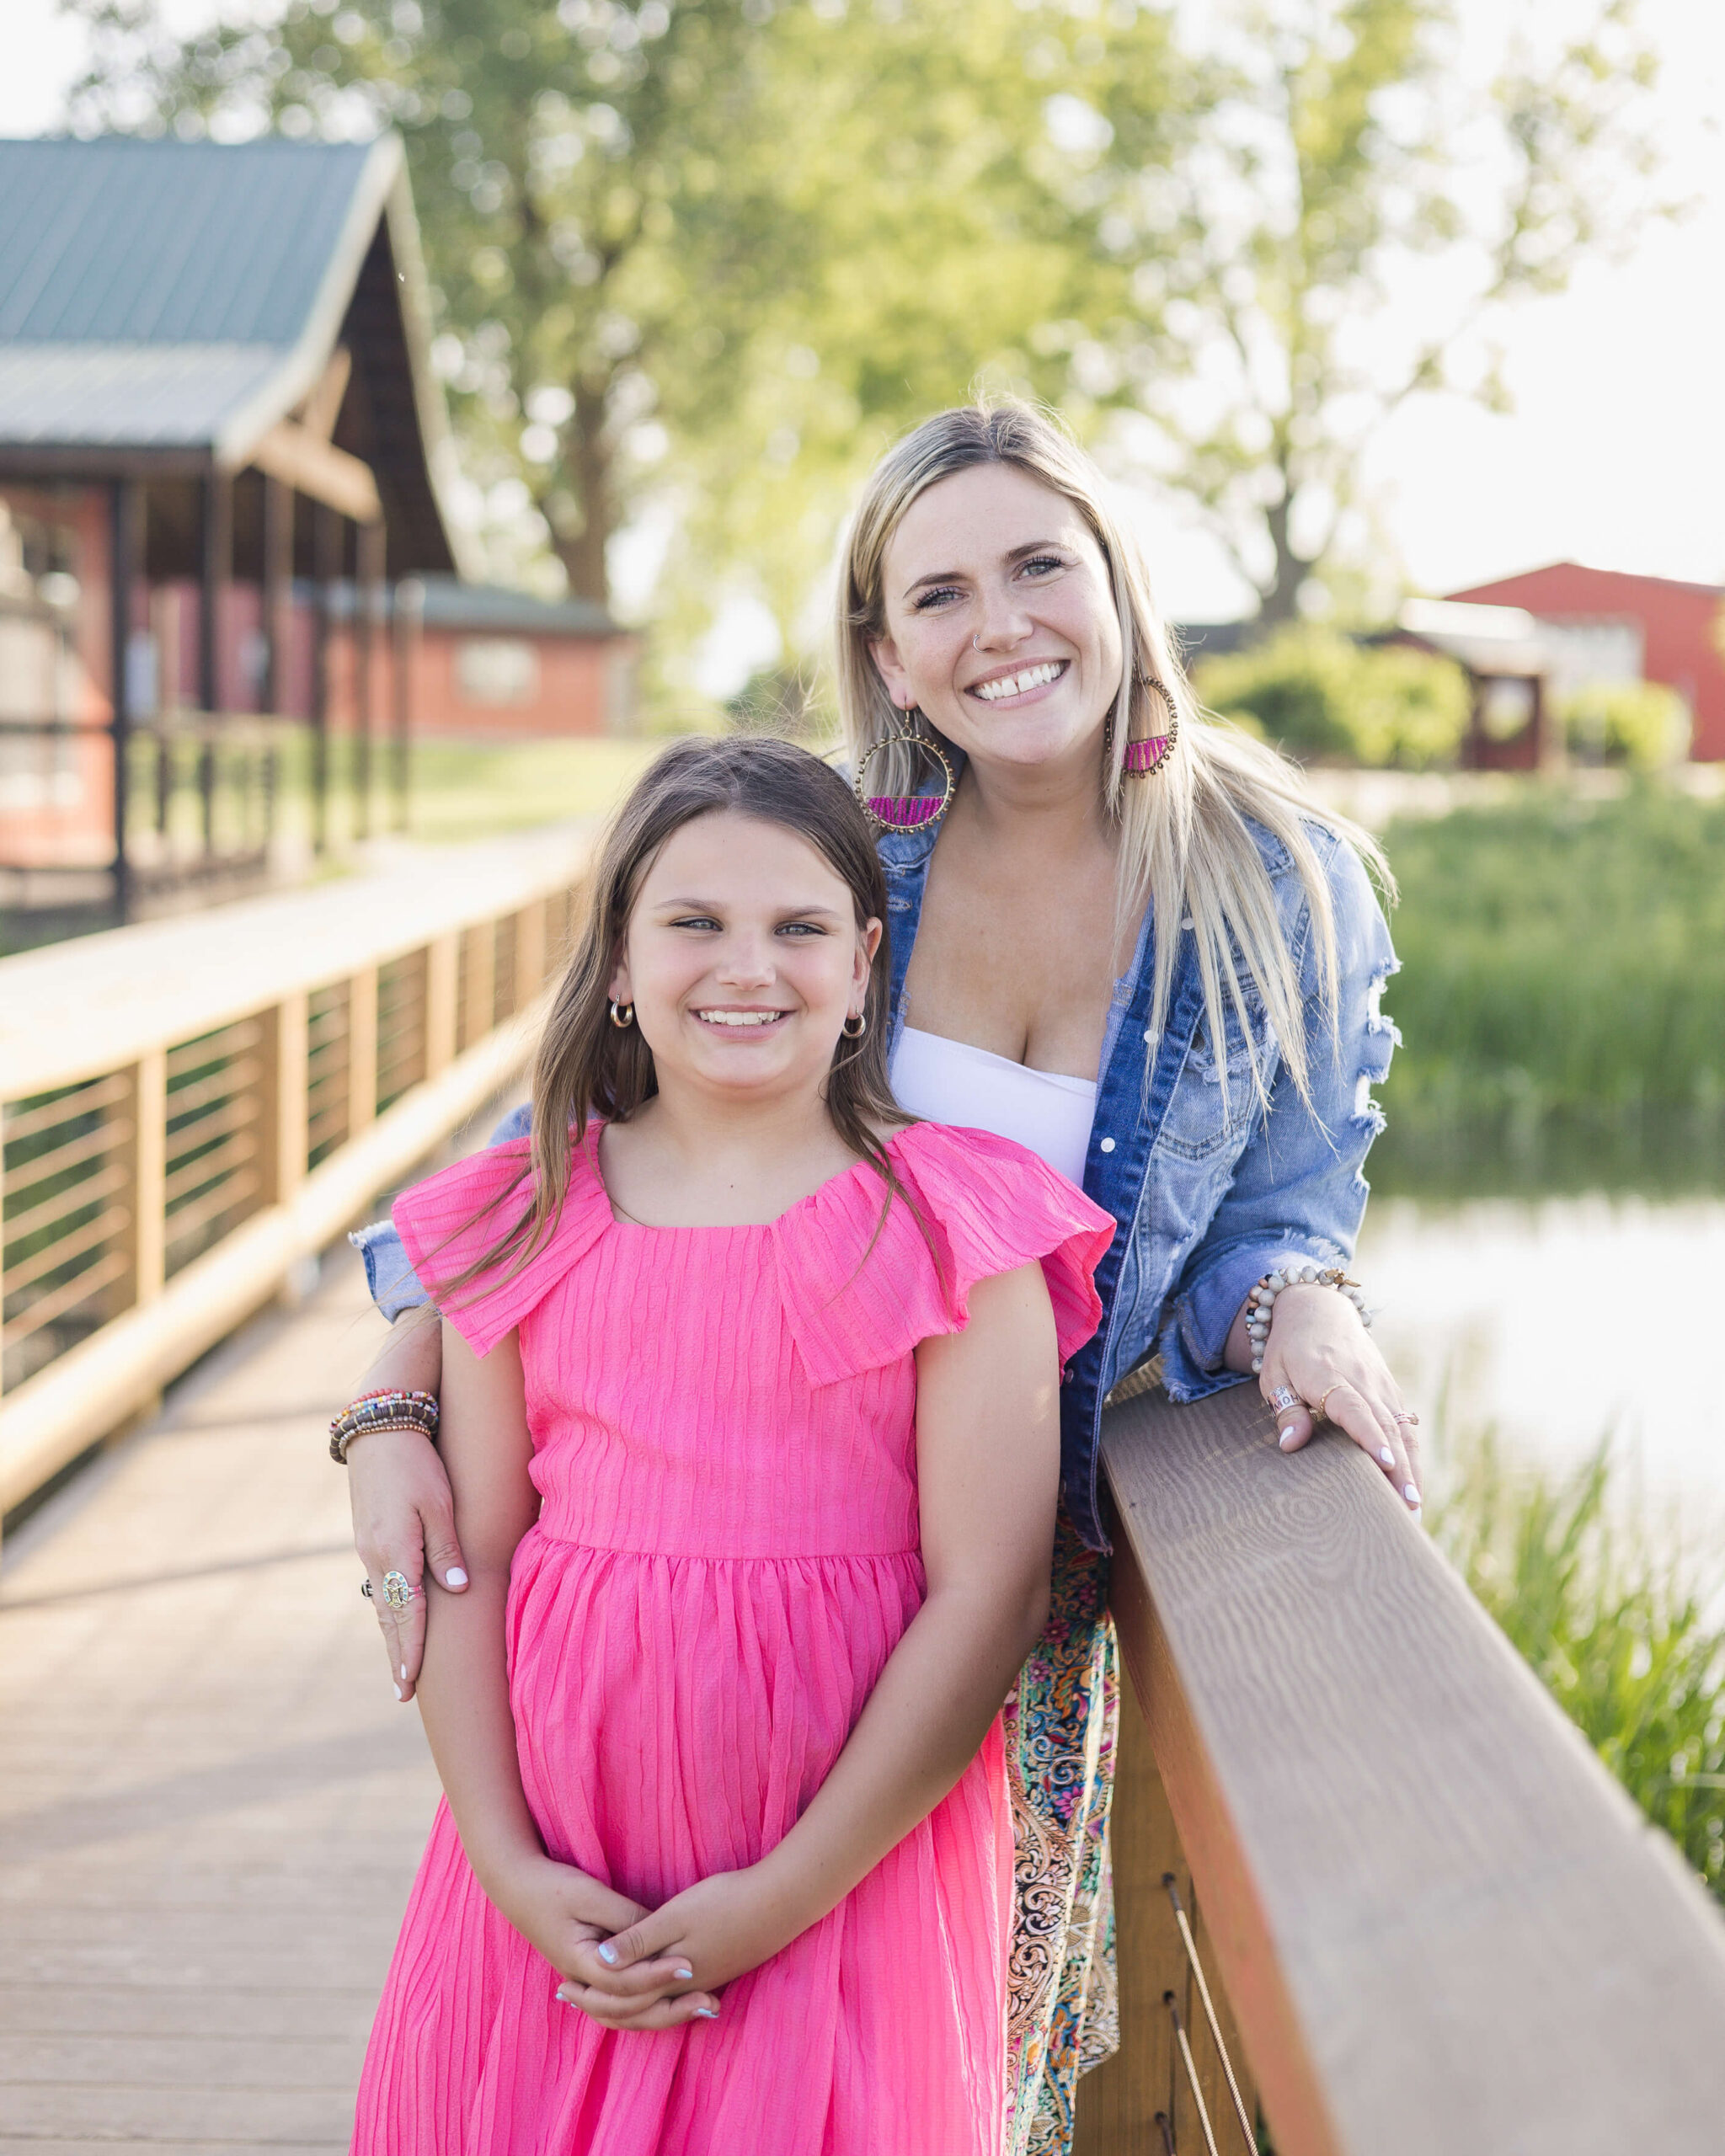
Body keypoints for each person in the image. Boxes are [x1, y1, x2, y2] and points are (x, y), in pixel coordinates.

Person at [343, 400, 1417, 2155]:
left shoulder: (1274, 882)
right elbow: (563, 1144)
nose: (1001, 625)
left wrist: (1293, 1299)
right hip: (721, 1556)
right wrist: (395, 1399)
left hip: (1002, 1569)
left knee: (914, 2064)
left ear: (1120, 586)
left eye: (1037, 567)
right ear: (886, 649)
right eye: (941, 593)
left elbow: (1277, 1210)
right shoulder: (846, 861)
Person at [347, 737, 1115, 2153]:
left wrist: (782, 1895)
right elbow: (477, 1558)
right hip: (555, 1863)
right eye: (694, 923)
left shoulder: (957, 1227)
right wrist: (509, 1865)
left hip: (837, 1871)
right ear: (622, 965)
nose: (746, 967)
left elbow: (988, 1591)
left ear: (867, 961)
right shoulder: (519, 1215)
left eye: (799, 928)